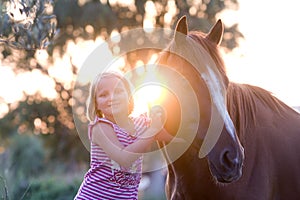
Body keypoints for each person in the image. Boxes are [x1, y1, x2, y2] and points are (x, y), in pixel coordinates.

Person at [74, 71, 173, 200]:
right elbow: (124, 159)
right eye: (104, 95)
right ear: (96, 104)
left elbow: (169, 136)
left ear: (129, 96)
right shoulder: (100, 128)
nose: (111, 98)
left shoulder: (141, 124)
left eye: (118, 91)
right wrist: (152, 130)